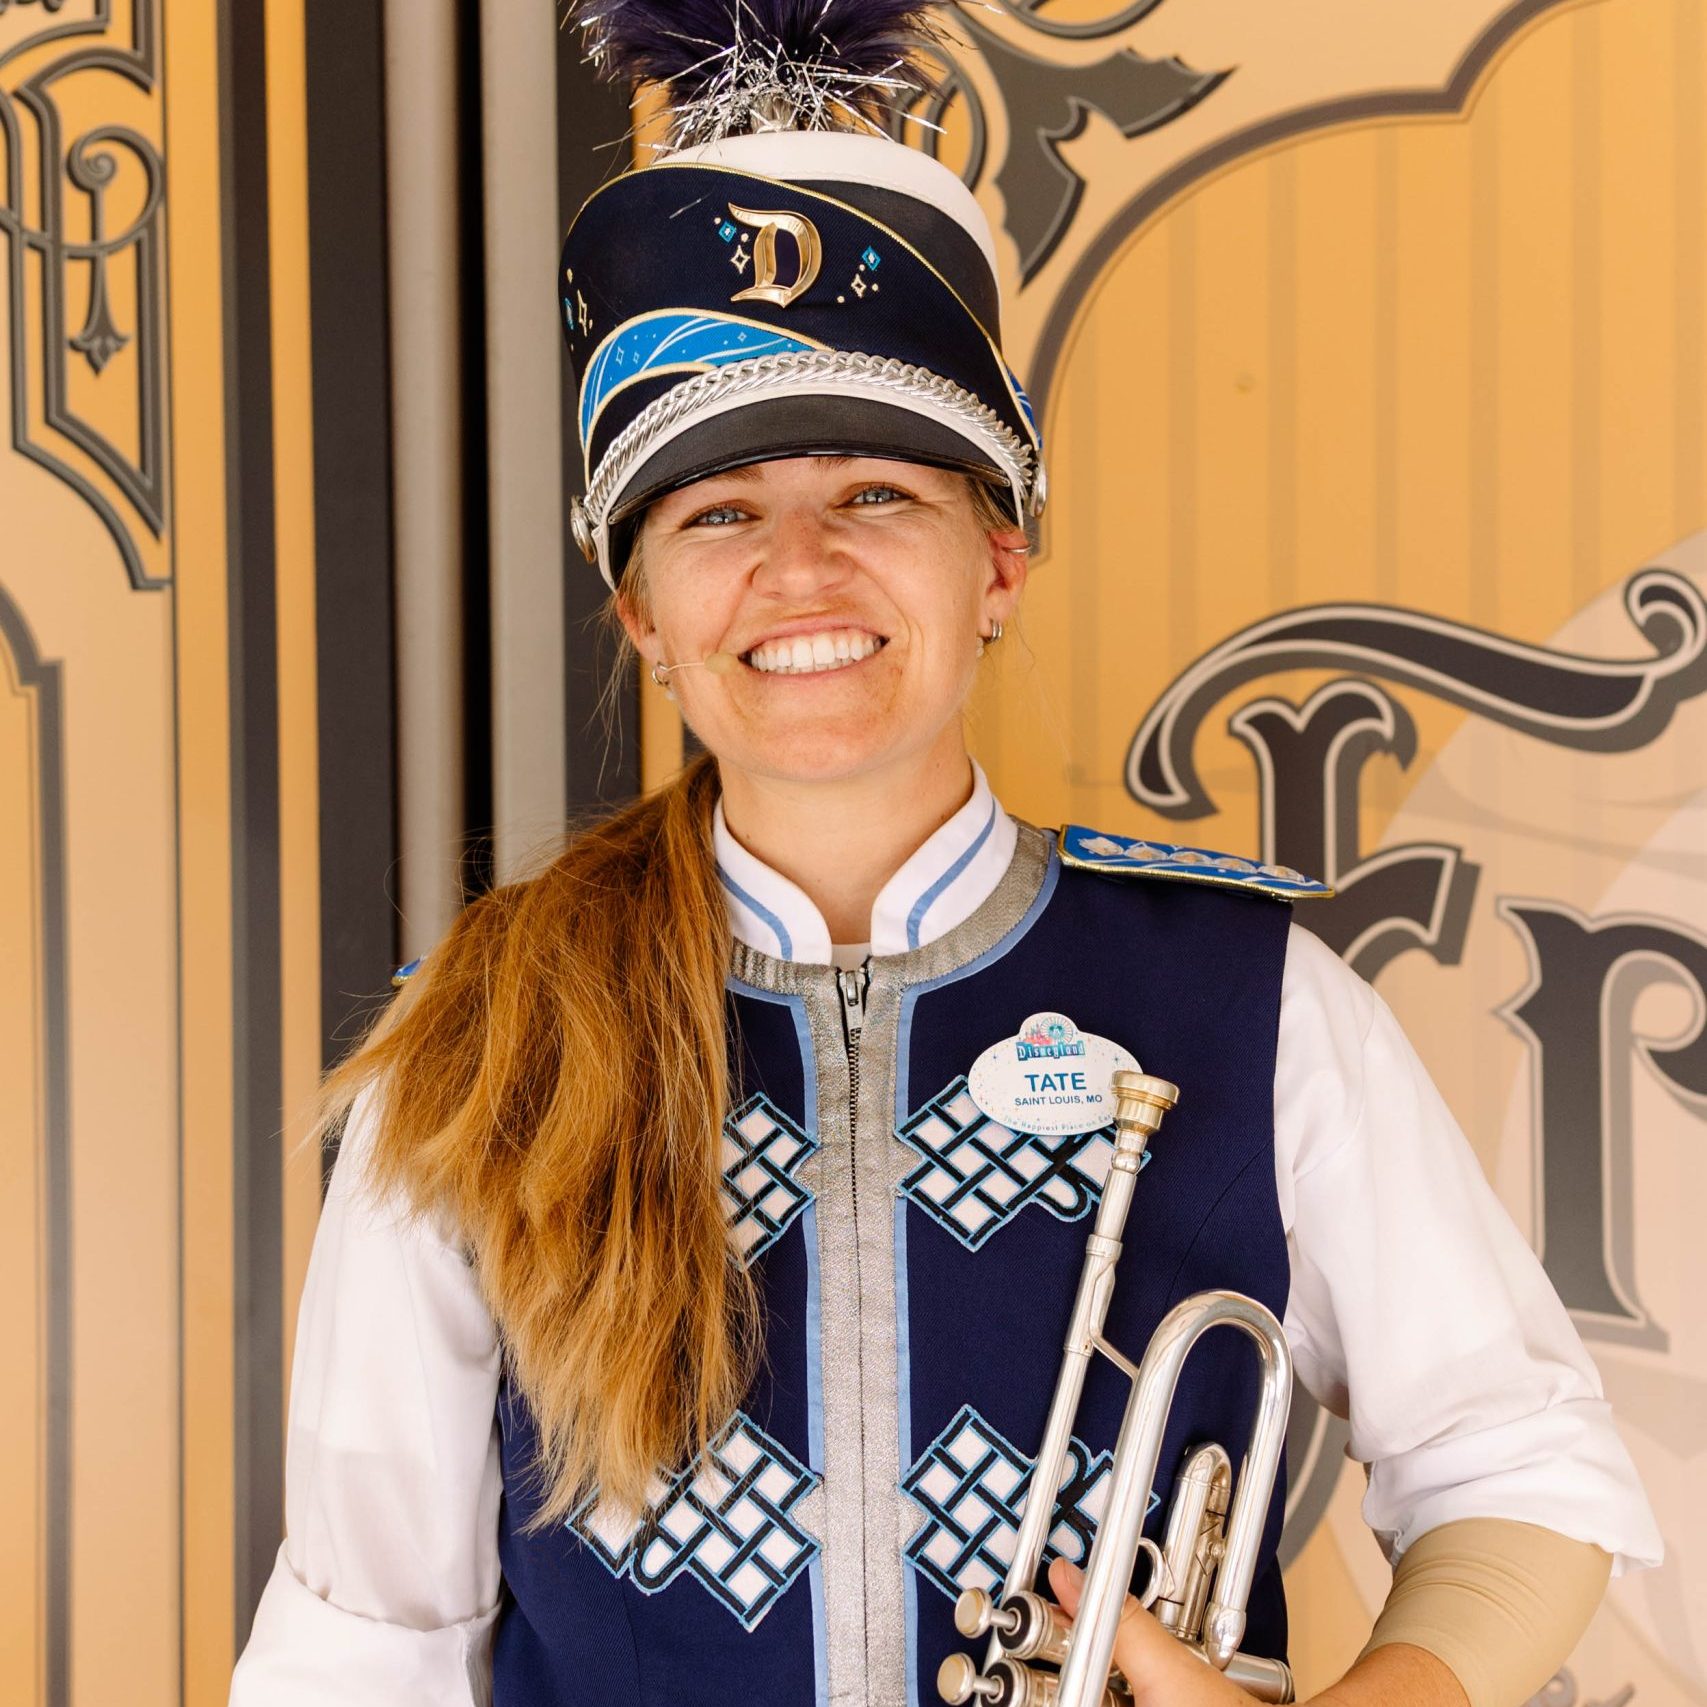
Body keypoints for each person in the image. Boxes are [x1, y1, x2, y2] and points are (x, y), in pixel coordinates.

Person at [229, 4, 1659, 1704]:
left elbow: (1520, 1459)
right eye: (718, 514)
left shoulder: (1252, 1000)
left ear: (999, 566)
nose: (800, 569)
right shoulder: (476, 1047)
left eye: (877, 497)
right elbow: (365, 1641)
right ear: (645, 618)